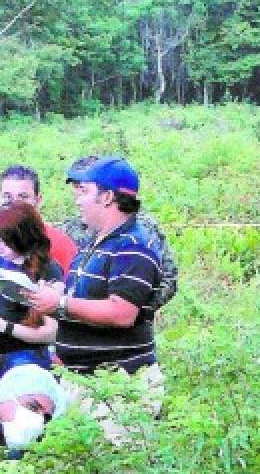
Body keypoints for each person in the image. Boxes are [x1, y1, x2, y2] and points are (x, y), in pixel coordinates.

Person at [28, 156, 163, 377]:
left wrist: (60, 303)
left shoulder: (133, 247)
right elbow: (87, 296)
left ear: (107, 197)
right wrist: (55, 294)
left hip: (119, 381)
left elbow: (122, 313)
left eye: (84, 192)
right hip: (86, 379)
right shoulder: (95, 242)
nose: (77, 201)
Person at [0, 165, 77, 391]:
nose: (13, 203)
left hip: (28, 356)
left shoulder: (56, 252)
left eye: (22, 197)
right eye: (7, 196)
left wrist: (4, 326)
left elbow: (60, 319)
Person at [57, 155, 179, 311]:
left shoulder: (139, 231)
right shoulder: (76, 226)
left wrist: (136, 306)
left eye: (83, 188)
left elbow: (167, 277)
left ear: (106, 194)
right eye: (75, 186)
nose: (77, 194)